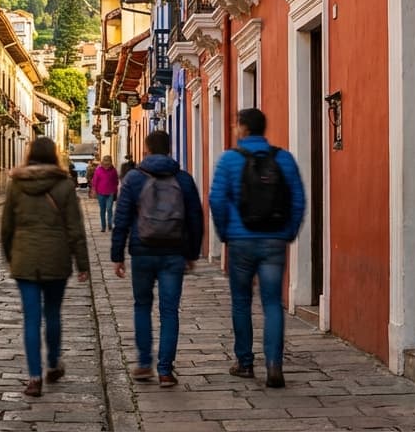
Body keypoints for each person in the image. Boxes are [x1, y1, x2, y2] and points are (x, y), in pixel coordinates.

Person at [209, 107, 306, 389]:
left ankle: (244, 363)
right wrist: (287, 232)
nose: (235, 129)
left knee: (241, 302)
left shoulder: (229, 160)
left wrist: (225, 233)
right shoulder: (284, 158)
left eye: (236, 125)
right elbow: (298, 199)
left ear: (244, 128)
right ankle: (274, 365)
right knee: (273, 303)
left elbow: (216, 199)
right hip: (275, 240)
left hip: (241, 241)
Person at [111, 130, 204, 388]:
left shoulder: (133, 178)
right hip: (174, 252)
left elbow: (121, 219)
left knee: (142, 305)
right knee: (169, 311)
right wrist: (192, 253)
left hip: (142, 252)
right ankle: (165, 370)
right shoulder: (183, 179)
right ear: (170, 149)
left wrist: (117, 255)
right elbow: (196, 219)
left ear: (146, 149)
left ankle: (143, 363)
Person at [0, 137, 90, 398]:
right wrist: (82, 263)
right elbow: (75, 228)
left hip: (25, 260)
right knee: (52, 313)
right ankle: (52, 363)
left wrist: (11, 256)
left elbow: (7, 226)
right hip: (56, 258)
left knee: (30, 318)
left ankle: (34, 378)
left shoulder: (16, 185)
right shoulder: (64, 185)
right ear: (53, 155)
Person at [91, 155, 120, 231]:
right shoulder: (98, 170)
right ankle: (103, 226)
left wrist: (115, 191)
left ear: (110, 163)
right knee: (102, 210)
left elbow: (116, 181)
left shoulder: (113, 170)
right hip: (100, 193)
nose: (106, 165)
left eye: (108, 163)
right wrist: (94, 190)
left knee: (109, 208)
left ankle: (110, 224)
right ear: (102, 162)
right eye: (105, 162)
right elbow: (95, 181)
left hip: (110, 192)